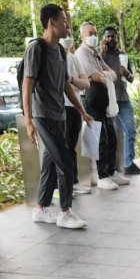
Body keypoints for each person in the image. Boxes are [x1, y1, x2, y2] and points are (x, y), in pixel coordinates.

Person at [24, 4, 93, 229]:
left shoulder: (61, 52)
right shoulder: (36, 48)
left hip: (59, 114)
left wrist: (82, 111)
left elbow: (66, 86)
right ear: (51, 23)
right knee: (65, 161)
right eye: (63, 21)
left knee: (51, 162)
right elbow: (27, 86)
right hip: (42, 115)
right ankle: (65, 212)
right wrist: (28, 121)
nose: (67, 25)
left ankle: (40, 209)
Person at [75, 22, 130, 190]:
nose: (93, 36)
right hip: (91, 99)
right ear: (82, 36)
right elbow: (96, 77)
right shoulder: (82, 54)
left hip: (103, 99)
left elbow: (112, 74)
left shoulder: (95, 55)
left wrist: (103, 75)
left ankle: (111, 171)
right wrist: (103, 75)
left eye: (95, 33)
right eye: (89, 33)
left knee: (111, 136)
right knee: (100, 138)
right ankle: (102, 176)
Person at [100, 26, 140, 174]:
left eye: (113, 36)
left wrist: (126, 73)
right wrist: (101, 51)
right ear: (103, 38)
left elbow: (131, 78)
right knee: (110, 136)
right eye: (107, 36)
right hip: (108, 101)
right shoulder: (101, 55)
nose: (110, 39)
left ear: (117, 38)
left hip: (123, 99)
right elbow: (96, 70)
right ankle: (111, 167)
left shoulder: (123, 55)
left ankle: (128, 164)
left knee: (130, 131)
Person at [56, 28, 91, 197]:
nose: (67, 37)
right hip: (59, 109)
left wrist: (70, 79)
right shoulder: (53, 57)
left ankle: (73, 182)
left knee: (71, 147)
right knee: (59, 149)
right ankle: (58, 187)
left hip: (75, 107)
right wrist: (74, 83)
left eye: (70, 34)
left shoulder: (73, 59)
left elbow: (86, 84)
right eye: (66, 33)